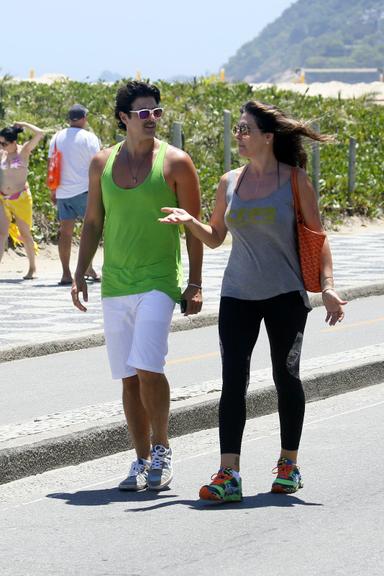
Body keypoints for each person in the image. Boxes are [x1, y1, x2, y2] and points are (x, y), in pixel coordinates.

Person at [160, 100, 347, 502]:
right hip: (238, 294)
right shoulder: (230, 181)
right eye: (238, 129)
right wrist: (190, 221)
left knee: (286, 376)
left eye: (246, 129)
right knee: (233, 382)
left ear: (268, 136)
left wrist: (327, 286)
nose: (239, 136)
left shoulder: (295, 180)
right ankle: (229, 475)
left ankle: (288, 466)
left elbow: (318, 237)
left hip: (286, 294)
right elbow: (214, 237)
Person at [71, 81, 203, 491]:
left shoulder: (177, 162)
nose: (151, 119)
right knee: (129, 377)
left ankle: (162, 449)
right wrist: (80, 271)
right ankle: (140, 458)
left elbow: (194, 230)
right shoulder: (100, 163)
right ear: (124, 118)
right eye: (142, 113)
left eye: (156, 112)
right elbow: (93, 221)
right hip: (116, 282)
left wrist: (194, 283)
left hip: (159, 282)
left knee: (149, 367)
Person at [48, 104, 101, 285]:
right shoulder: (89, 138)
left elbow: (52, 164)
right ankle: (88, 267)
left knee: (65, 233)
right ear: (84, 118)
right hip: (85, 190)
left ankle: (65, 273)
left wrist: (53, 190)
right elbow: (98, 164)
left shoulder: (56, 137)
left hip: (63, 191)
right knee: (91, 230)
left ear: (70, 119)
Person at [0, 122, 44, 279]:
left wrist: (23, 124)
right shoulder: (2, 153)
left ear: (13, 142)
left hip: (21, 199)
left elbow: (40, 133)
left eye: (4, 143)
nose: (2, 145)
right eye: (0, 142)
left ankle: (32, 268)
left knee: (25, 234)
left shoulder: (23, 151)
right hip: (3, 199)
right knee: (1, 233)